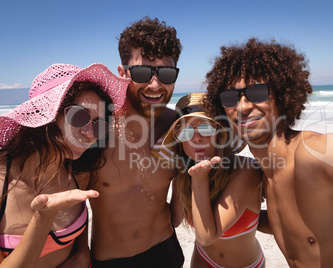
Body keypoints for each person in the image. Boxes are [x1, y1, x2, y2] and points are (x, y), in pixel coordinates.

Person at [203, 38, 333, 268]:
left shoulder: (317, 154)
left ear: (282, 95)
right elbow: (290, 225)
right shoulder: (265, 177)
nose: (243, 106)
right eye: (230, 97)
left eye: (257, 93)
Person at [0, 63, 130, 267]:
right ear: (47, 113)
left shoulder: (78, 174)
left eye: (99, 125)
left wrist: (82, 254)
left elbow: (80, 242)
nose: (89, 133)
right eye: (79, 116)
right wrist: (42, 218)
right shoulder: (3, 179)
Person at [87, 17, 184, 267]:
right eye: (142, 73)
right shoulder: (96, 130)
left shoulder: (180, 127)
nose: (155, 84)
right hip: (111, 259)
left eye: (166, 73)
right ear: (122, 73)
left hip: (167, 251)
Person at [152, 92, 265, 268]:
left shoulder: (246, 170)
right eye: (186, 132)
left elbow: (206, 237)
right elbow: (175, 220)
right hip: (203, 260)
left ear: (219, 134)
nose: (196, 138)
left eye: (205, 128)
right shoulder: (186, 174)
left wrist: (200, 180)